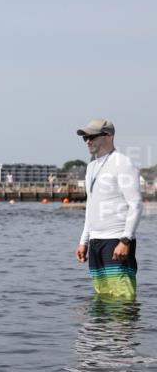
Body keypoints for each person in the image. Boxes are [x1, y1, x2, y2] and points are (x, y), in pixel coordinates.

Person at [74, 119, 143, 300]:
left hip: (116, 241)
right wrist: (84, 241)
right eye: (85, 138)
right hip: (96, 242)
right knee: (102, 299)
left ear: (109, 136)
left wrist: (126, 240)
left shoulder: (123, 163)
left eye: (92, 136)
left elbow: (136, 203)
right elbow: (91, 206)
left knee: (122, 300)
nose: (88, 141)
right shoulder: (91, 167)